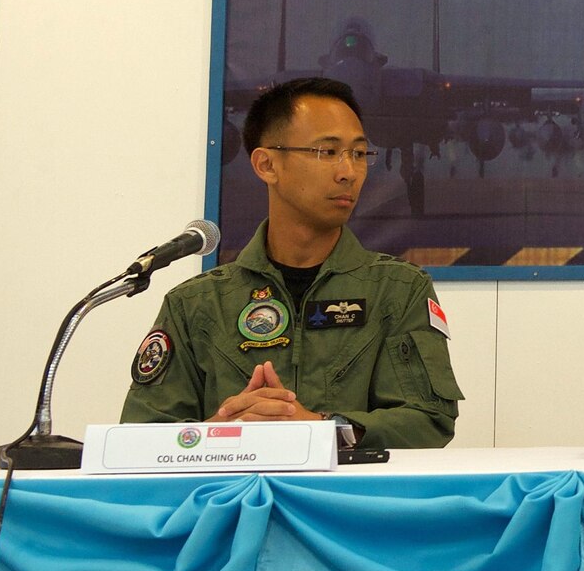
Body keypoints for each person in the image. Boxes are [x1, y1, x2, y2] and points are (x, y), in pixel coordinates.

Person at [121, 77, 462, 448]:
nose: (348, 171)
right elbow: (140, 437)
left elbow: (428, 422)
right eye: (327, 152)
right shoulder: (196, 303)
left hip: (348, 505)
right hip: (231, 503)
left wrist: (321, 428)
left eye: (359, 154)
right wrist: (219, 431)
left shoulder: (398, 290)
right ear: (267, 165)